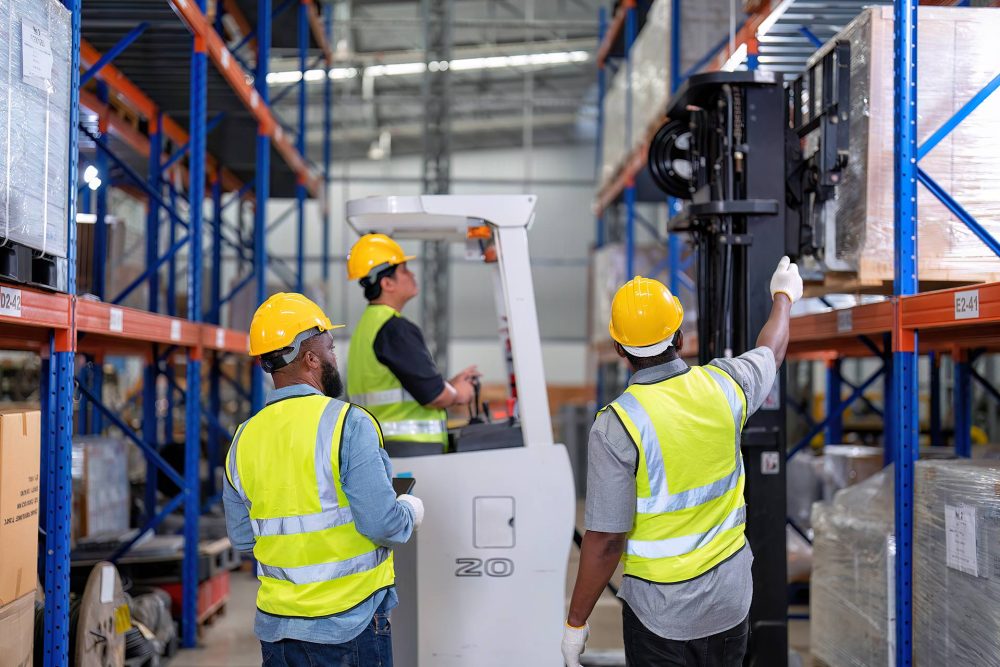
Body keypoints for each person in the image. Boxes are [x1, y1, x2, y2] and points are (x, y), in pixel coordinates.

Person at [562, 257, 804, 667]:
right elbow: (771, 351)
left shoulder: (617, 425)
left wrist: (575, 622)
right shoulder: (726, 387)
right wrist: (783, 297)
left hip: (660, 616)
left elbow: (605, 542)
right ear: (679, 335)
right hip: (729, 603)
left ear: (619, 348)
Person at [223, 292, 424, 667]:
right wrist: (411, 509)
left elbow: (243, 539)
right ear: (310, 358)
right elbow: (384, 525)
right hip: (350, 626)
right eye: (330, 347)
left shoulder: (243, 438)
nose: (335, 357)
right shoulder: (348, 423)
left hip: (278, 632)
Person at [345, 233, 479, 456]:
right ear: (387, 283)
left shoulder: (368, 326)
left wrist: (449, 384)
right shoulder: (394, 329)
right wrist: (459, 393)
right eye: (404, 270)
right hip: (410, 447)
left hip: (385, 447)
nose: (412, 274)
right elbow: (433, 396)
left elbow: (414, 385)